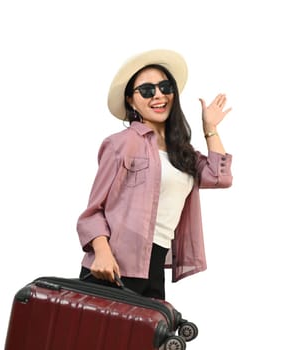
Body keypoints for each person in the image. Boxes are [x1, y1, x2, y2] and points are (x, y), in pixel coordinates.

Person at [76, 49, 233, 300]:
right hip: (113, 266)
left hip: (154, 265)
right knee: (101, 339)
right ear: (131, 100)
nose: (158, 95)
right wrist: (102, 253)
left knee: (146, 339)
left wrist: (210, 129)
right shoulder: (122, 144)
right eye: (147, 90)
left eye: (164, 87)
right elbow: (93, 212)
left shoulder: (182, 152)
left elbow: (219, 177)